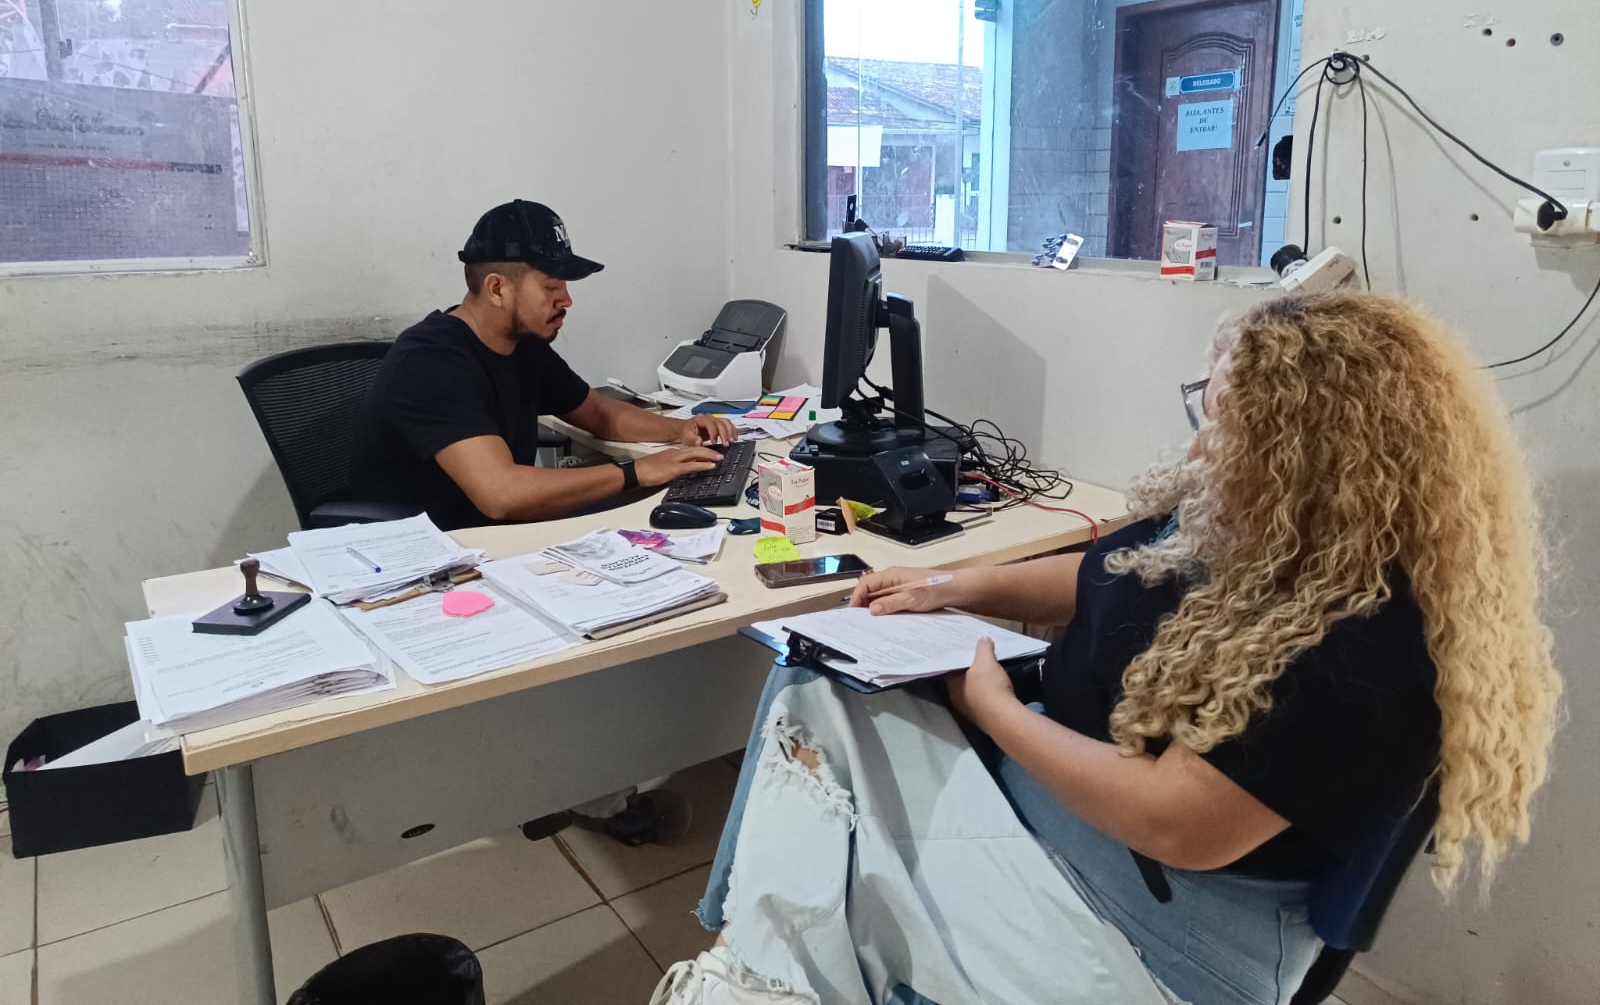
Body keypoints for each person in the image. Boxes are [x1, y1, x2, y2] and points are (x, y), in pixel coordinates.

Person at [650, 292, 1561, 1005]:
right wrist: (951, 586)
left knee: (815, 752)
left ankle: (748, 974)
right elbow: (1112, 571)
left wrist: (994, 711)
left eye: (1225, 418)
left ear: (1308, 452)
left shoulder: (1365, 642)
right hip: (1083, 827)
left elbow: (1177, 823)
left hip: (1162, 933)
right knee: (820, 688)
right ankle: (760, 969)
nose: (1201, 442)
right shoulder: (1262, 525)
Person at [351, 199, 737, 529]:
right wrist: (636, 472)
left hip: (496, 536)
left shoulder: (522, 344)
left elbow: (599, 413)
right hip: (430, 553)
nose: (566, 300)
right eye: (552, 287)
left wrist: (680, 431)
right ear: (497, 289)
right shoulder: (430, 361)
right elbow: (500, 494)